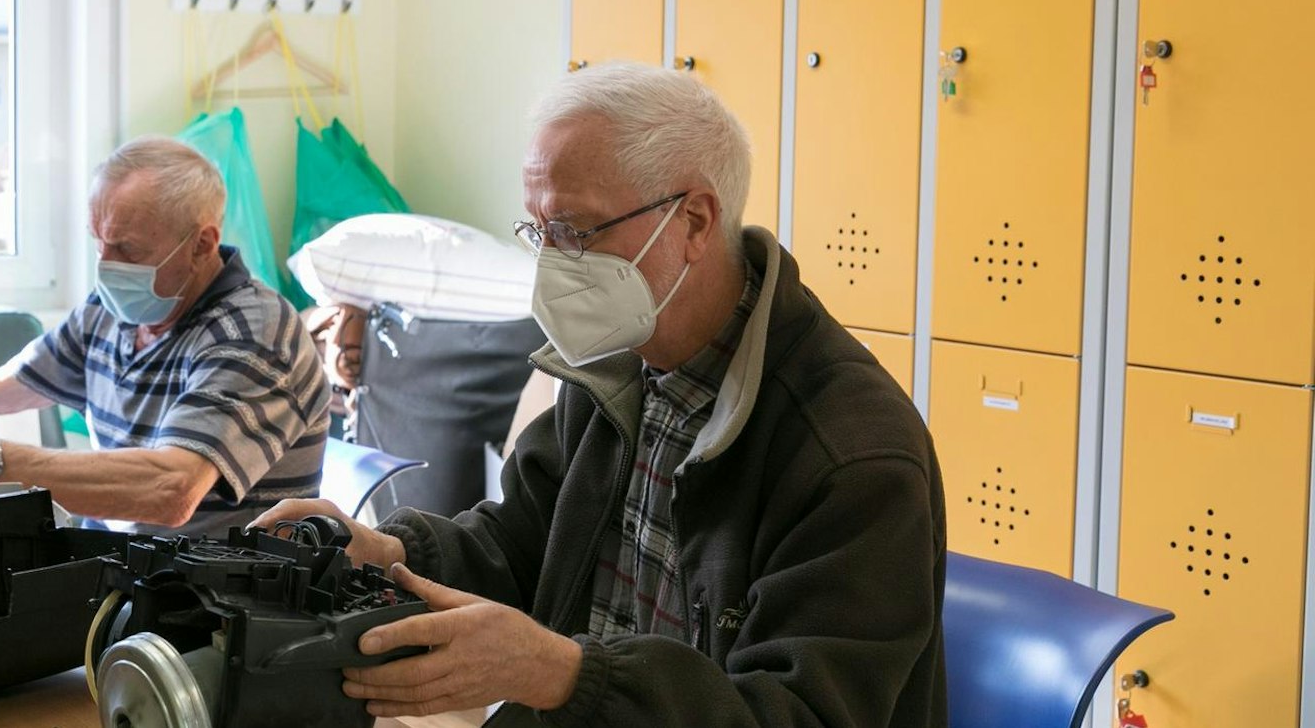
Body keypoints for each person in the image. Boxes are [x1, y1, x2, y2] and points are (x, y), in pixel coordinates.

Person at [261, 64, 948, 726]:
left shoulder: (850, 453)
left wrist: (563, 674)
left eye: (575, 231)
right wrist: (391, 553)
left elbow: (796, 713)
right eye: (538, 232)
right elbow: (523, 541)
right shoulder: (616, 365)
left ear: (694, 221)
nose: (552, 266)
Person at [0, 136, 330, 536]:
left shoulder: (254, 334)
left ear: (202, 244)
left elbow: (172, 488)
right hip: (121, 570)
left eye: (127, 250)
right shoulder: (111, 311)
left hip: (216, 594)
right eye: (99, 242)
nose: (105, 267)